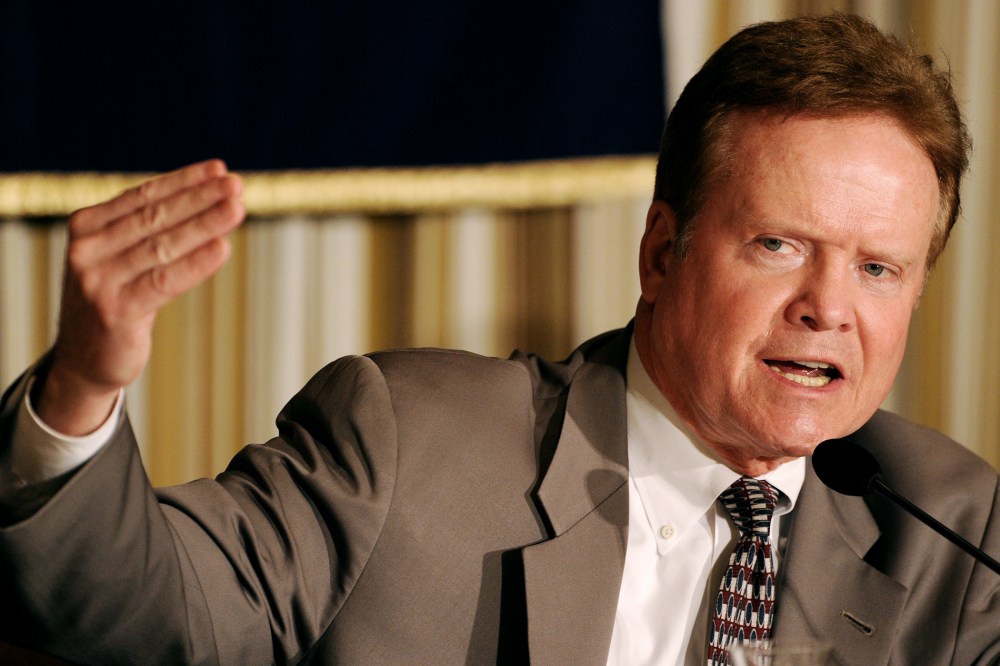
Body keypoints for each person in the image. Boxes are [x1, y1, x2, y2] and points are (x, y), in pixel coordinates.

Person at [1, 12, 998, 666]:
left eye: (878, 268)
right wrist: (83, 388)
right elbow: (145, 618)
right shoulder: (411, 446)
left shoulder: (954, 538)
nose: (829, 306)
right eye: (779, 245)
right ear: (661, 254)